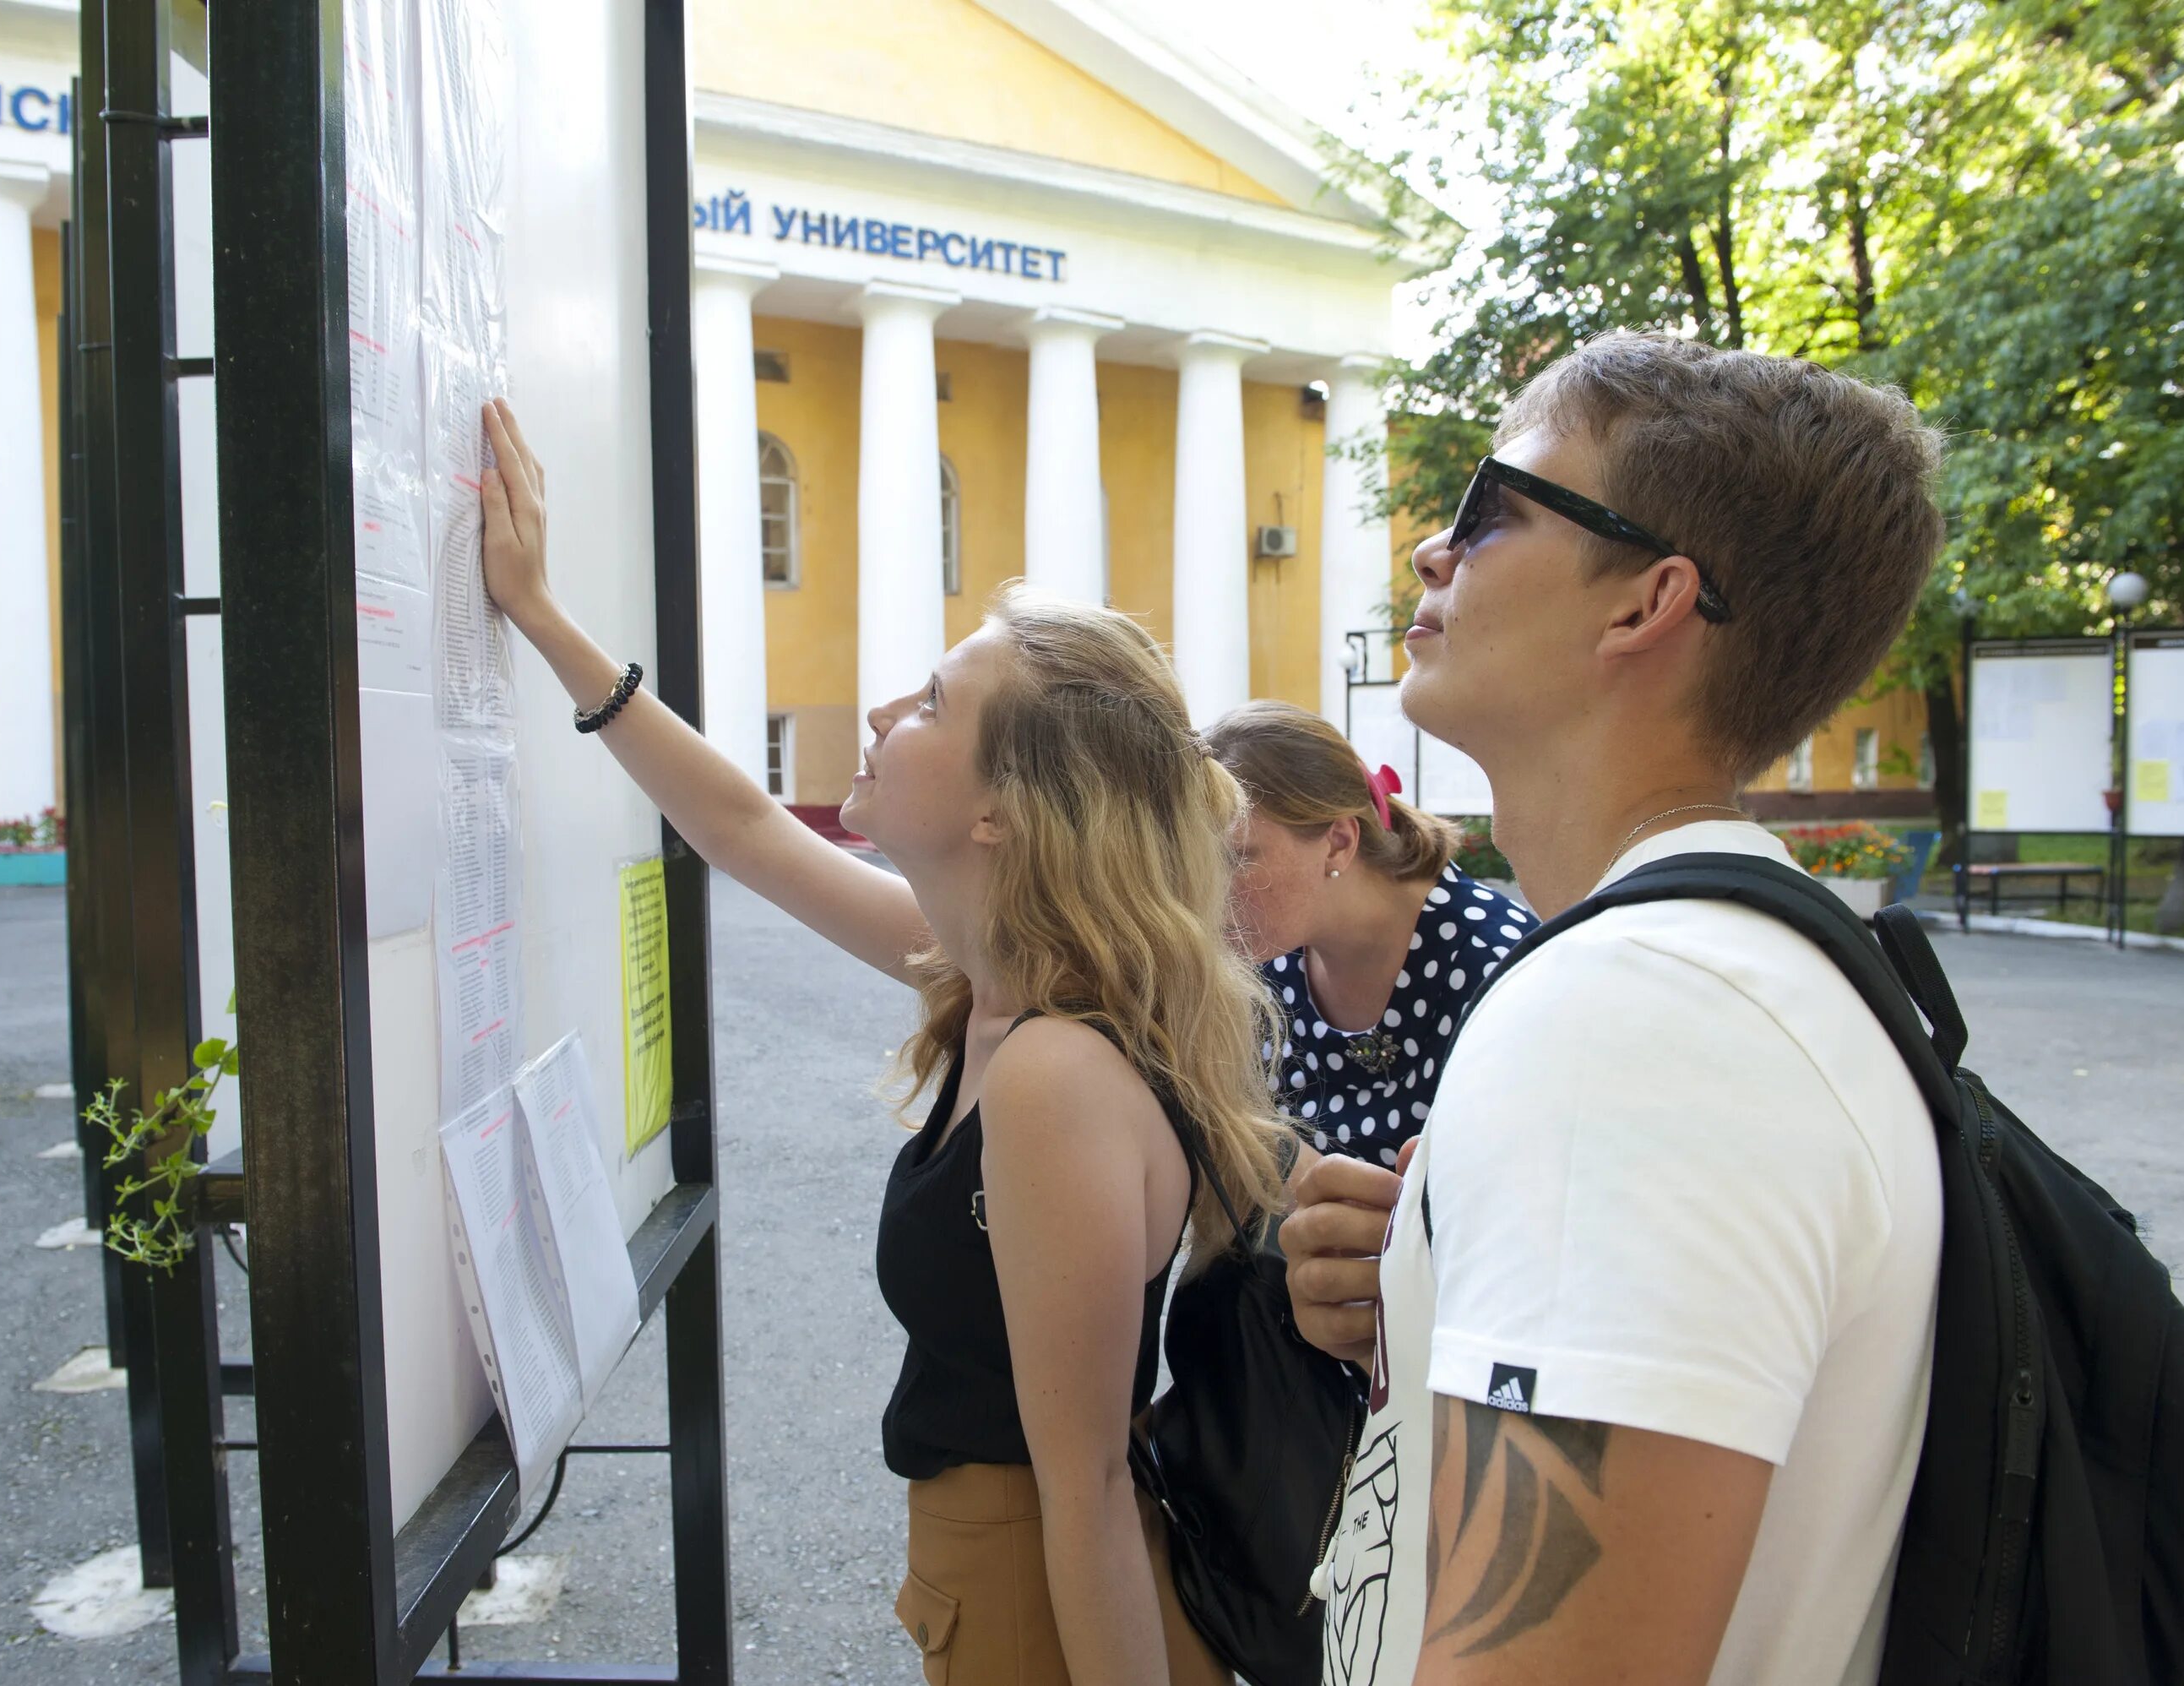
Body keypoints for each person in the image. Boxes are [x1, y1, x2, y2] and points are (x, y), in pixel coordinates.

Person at [474, 398, 1282, 1686]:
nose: (883, 708)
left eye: (933, 702)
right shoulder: (997, 984)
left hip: (1041, 1605)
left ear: (1004, 813)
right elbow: (742, 827)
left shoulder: (1059, 1074)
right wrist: (539, 614)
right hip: (990, 1582)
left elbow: (1080, 1494)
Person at [1280, 333, 1948, 1685]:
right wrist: (1430, 1294)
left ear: (1645, 605)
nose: (1432, 552)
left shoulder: (1636, 1021)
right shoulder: (1716, 972)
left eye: (1488, 511)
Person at [1206, 702, 1534, 1172]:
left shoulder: (1496, 967)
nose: (1206, 890)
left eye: (1236, 858)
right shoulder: (1267, 955)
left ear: (1338, 842)